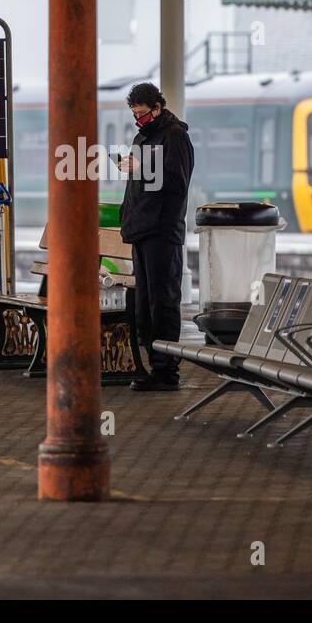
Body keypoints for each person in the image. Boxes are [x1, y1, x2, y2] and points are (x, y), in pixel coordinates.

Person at [116, 82, 194, 392]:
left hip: (162, 231)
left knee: (163, 301)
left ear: (158, 108)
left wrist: (144, 166)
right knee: (144, 302)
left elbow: (177, 182)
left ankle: (166, 371)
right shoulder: (142, 136)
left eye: (143, 114)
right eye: (135, 115)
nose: (139, 120)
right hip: (141, 229)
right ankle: (153, 364)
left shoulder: (175, 136)